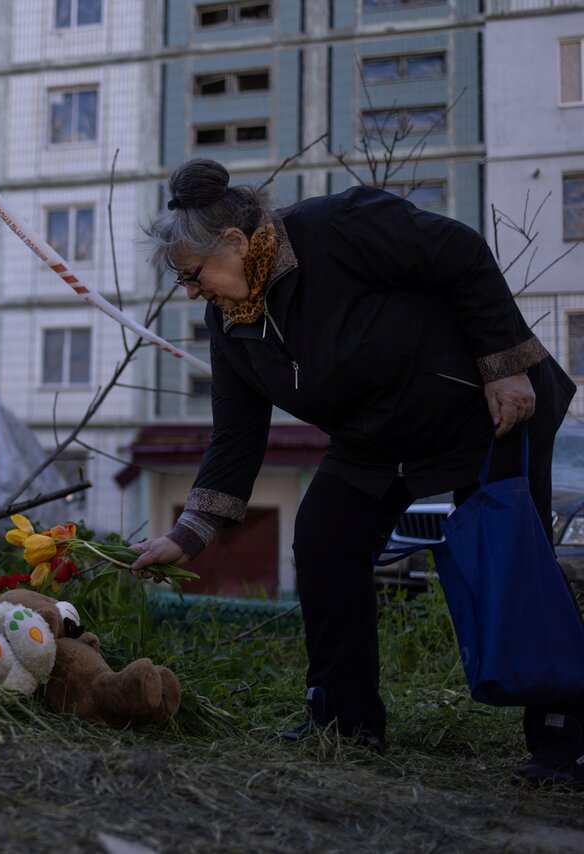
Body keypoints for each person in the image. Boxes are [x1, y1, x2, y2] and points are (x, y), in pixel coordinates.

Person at [130, 158, 584, 787]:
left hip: (484, 409)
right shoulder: (230, 324)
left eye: (192, 274)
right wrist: (187, 535)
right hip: (375, 439)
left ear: (232, 243)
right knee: (324, 541)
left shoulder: (337, 226)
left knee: (515, 557)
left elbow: (461, 253)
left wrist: (504, 363)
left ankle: (566, 739)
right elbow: (237, 436)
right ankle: (345, 720)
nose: (190, 290)